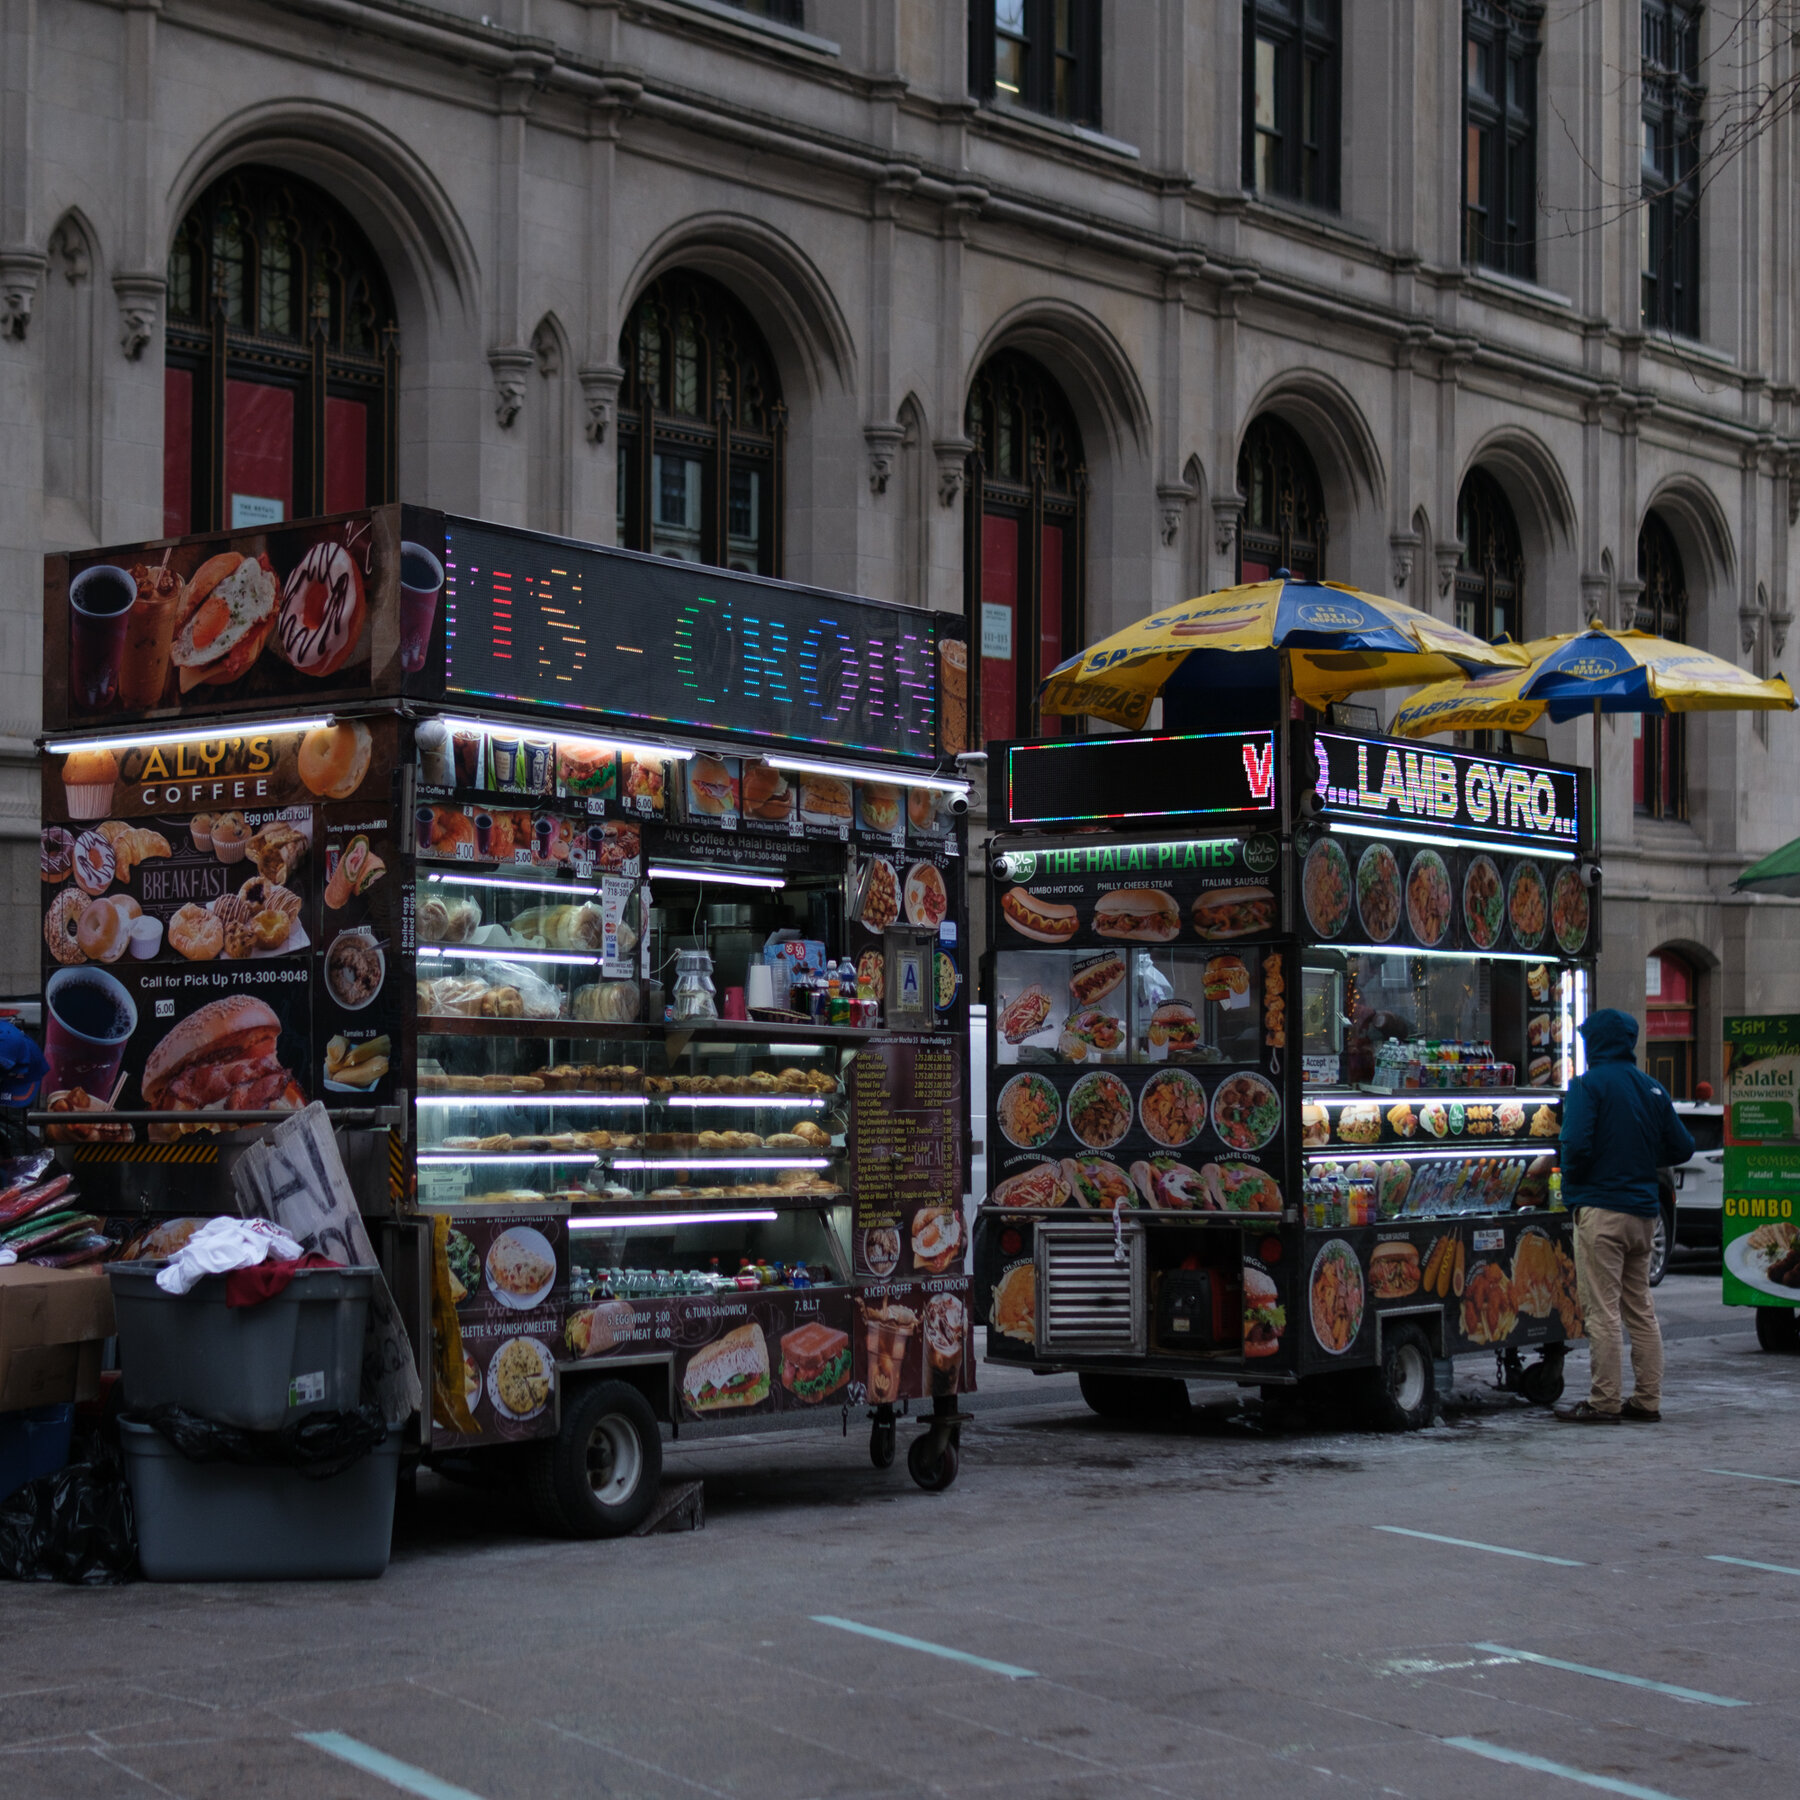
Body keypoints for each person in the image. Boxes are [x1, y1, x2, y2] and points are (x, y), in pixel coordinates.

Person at [1554, 1008, 1693, 1424]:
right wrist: (1643, 1155)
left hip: (1602, 1210)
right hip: (1644, 1215)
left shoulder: (1588, 1086)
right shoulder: (1651, 1088)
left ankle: (1605, 1401)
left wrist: (1573, 1188)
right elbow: (1682, 1146)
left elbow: (1575, 1144)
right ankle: (1647, 1400)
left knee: (1602, 1311)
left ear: (1595, 1043)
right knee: (1640, 1309)